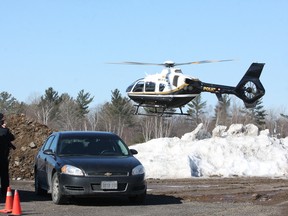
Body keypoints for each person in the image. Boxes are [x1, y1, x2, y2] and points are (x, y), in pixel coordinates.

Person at [0, 113, 15, 197]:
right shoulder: (5, 131)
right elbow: (12, 137)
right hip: (3, 156)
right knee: (4, 175)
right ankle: (4, 191)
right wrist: (5, 129)